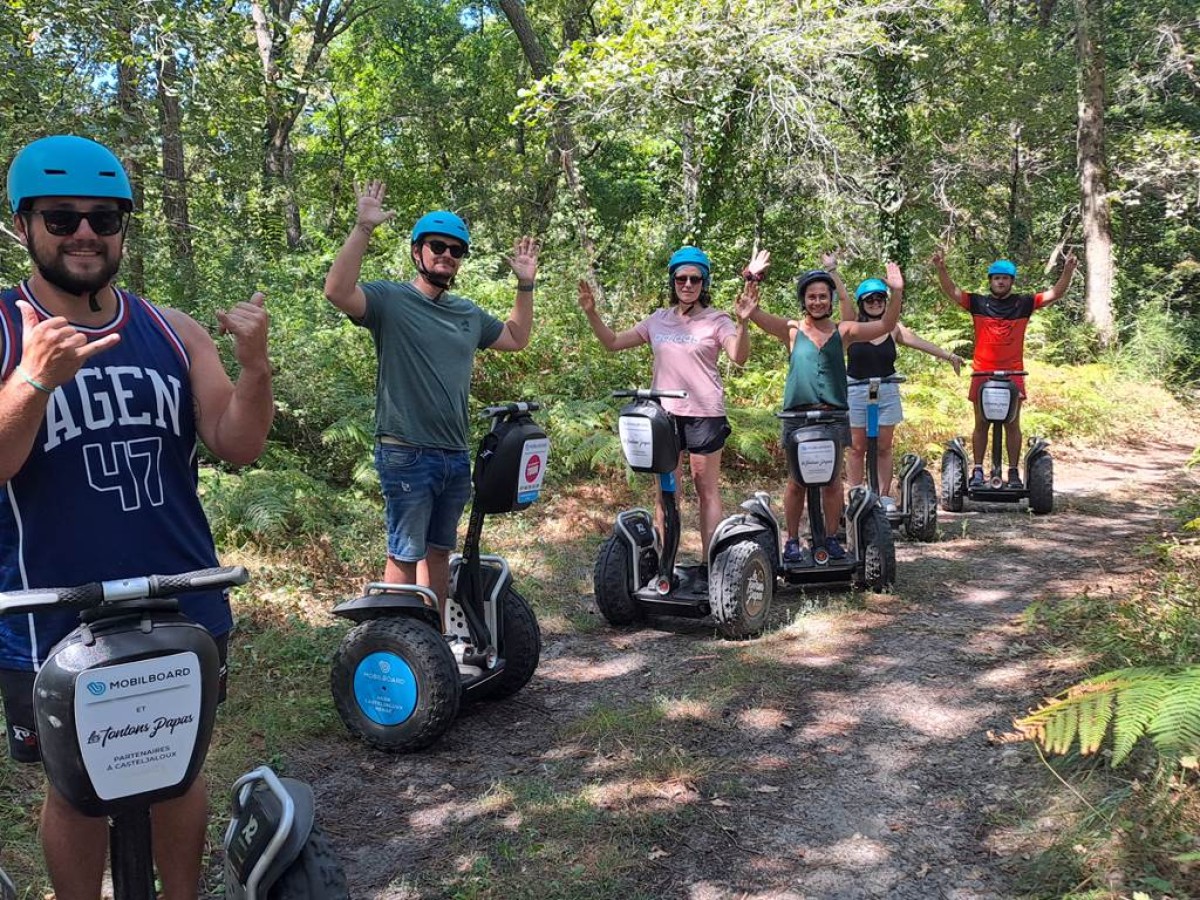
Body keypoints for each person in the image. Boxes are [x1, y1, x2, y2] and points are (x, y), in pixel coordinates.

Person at [0, 135, 273, 899]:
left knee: (178, 775)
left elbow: (236, 441)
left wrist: (255, 367)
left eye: (104, 218)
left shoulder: (172, 330)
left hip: (179, 600)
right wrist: (30, 381)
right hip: (49, 615)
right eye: (62, 218)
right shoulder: (2, 329)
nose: (85, 233)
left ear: (123, 228)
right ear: (25, 225)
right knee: (76, 793)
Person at [323, 181, 539, 609]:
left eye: (455, 250)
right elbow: (337, 292)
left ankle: (433, 641)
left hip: (454, 454)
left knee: (440, 550)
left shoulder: (466, 313)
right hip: (406, 451)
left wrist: (525, 286)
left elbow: (516, 337)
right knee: (405, 552)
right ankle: (399, 641)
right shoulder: (390, 300)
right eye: (436, 245)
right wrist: (363, 227)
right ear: (417, 251)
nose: (445, 254)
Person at [578, 246, 768, 559]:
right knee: (667, 493)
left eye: (695, 278)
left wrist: (744, 323)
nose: (688, 284)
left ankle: (712, 565)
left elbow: (740, 356)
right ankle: (665, 566)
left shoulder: (717, 319)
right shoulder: (658, 320)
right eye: (682, 278)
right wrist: (591, 312)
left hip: (704, 415)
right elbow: (612, 343)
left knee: (706, 490)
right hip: (663, 417)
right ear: (673, 281)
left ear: (703, 283)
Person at [743, 257, 902, 563]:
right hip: (797, 417)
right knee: (797, 481)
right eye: (811, 296)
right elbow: (751, 311)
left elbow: (886, 324)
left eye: (822, 296)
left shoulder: (844, 331)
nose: (817, 301)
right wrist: (752, 279)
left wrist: (895, 293)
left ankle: (829, 537)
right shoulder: (791, 330)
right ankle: (791, 540)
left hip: (832, 416)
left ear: (831, 299)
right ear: (804, 300)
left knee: (831, 482)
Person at [931, 250, 1078, 488]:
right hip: (982, 373)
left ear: (1011, 281)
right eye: (996, 278)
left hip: (1013, 374)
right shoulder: (978, 303)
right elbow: (952, 291)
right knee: (981, 423)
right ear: (990, 281)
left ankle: (1012, 472)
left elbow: (1055, 293)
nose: (1001, 281)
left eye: (1005, 278)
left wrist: (1068, 270)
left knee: (1012, 423)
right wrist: (941, 268)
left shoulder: (1024, 303)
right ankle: (978, 470)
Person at [844, 276, 963, 504]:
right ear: (861, 302)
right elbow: (841, 299)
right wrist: (832, 271)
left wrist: (949, 356)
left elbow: (919, 342)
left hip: (887, 390)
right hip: (857, 390)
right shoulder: (852, 327)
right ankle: (857, 494)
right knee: (857, 447)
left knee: (883, 446)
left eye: (880, 299)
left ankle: (883, 495)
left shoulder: (893, 329)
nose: (876, 303)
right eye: (870, 299)